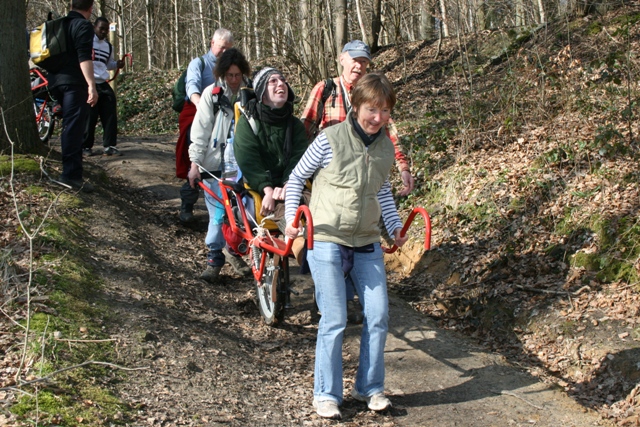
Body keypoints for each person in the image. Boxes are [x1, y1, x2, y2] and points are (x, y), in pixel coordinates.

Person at [285, 72, 407, 419]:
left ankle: (369, 387)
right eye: (372, 109)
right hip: (326, 238)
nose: (378, 118)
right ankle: (326, 394)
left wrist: (394, 226)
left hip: (366, 240)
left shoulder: (384, 146)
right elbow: (296, 178)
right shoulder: (329, 139)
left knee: (379, 315)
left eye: (384, 111)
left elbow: (382, 190)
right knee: (335, 318)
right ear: (356, 106)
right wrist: (293, 219)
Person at [301, 40, 415, 323]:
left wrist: (402, 166)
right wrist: (297, 172)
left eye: (364, 62)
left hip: (363, 176)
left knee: (361, 222)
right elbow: (305, 127)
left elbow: (389, 136)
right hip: (328, 172)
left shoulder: (376, 97)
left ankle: (347, 293)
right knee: (332, 234)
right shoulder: (325, 89)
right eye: (354, 60)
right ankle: (329, 296)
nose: (359, 66)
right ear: (342, 59)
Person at [187, 48, 252, 282]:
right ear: (222, 74)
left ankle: (233, 250)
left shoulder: (252, 94)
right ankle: (214, 260)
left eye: (237, 75)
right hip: (214, 165)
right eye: (230, 75)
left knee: (242, 214)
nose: (234, 80)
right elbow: (201, 131)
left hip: (243, 165)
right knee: (217, 214)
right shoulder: (211, 95)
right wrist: (195, 164)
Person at [234, 67, 309, 229]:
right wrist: (268, 191)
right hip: (261, 186)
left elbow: (300, 158)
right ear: (261, 91)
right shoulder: (248, 122)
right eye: (273, 81)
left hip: (293, 184)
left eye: (283, 80)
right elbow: (249, 161)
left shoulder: (295, 125)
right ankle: (297, 246)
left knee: (321, 208)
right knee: (291, 220)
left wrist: (290, 184)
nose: (281, 84)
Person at [176, 28, 234, 223]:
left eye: (229, 49)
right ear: (212, 44)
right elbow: (191, 86)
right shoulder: (198, 63)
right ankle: (187, 205)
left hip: (224, 118)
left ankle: (226, 210)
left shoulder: (231, 70)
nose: (225, 52)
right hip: (198, 113)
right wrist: (202, 104)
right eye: (222, 48)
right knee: (193, 157)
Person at [49, 0, 98, 193]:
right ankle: (70, 175)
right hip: (73, 83)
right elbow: (84, 57)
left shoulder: (60, 23)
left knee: (70, 126)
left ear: (71, 5)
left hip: (55, 82)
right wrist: (91, 85)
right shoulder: (83, 25)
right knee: (74, 128)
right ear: (90, 8)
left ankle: (70, 172)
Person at [82, 16, 125, 157]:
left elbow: (107, 64)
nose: (104, 32)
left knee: (110, 113)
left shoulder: (108, 46)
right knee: (90, 115)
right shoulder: (86, 42)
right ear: (95, 27)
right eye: (101, 28)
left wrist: (117, 64)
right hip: (89, 82)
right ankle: (85, 146)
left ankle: (109, 145)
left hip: (103, 83)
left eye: (106, 29)